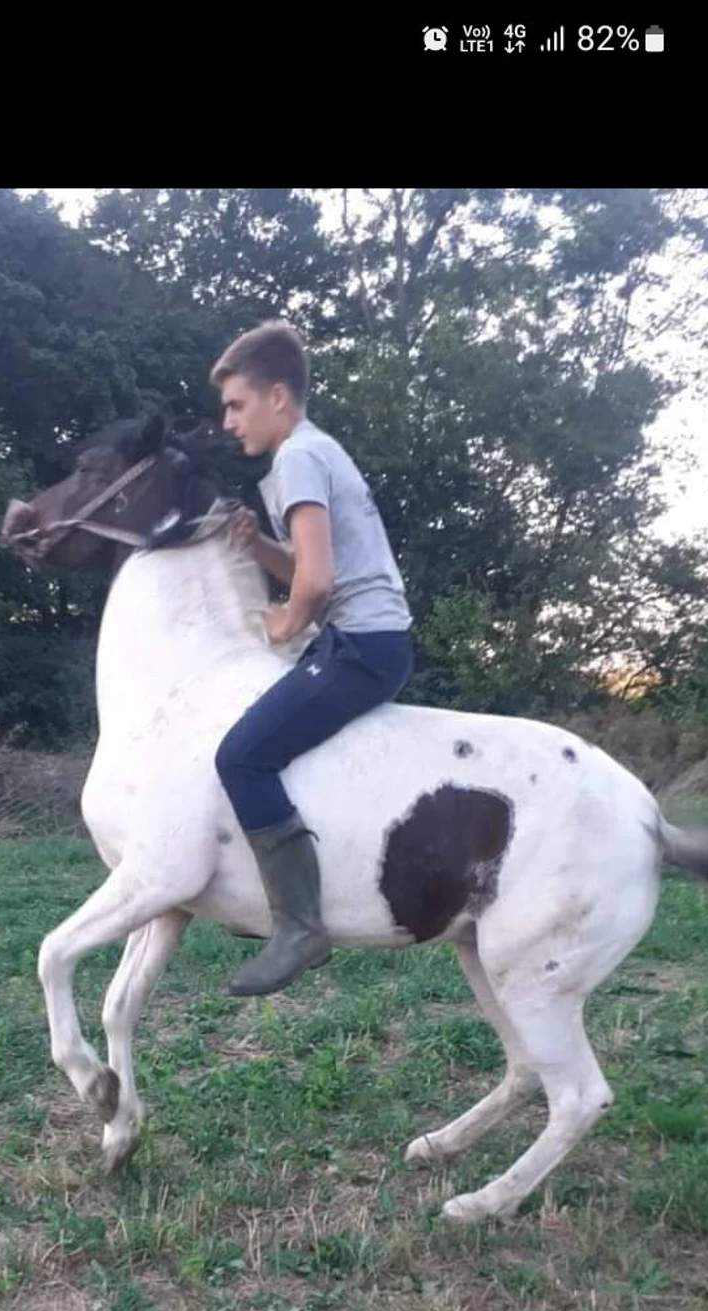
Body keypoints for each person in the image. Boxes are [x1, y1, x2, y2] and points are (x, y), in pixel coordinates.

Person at [210, 319, 413, 997]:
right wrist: (257, 548)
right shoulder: (312, 452)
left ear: (277, 396)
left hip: (360, 645)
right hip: (364, 641)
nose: (228, 421)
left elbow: (317, 583)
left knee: (242, 757)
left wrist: (284, 622)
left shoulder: (299, 456)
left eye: (237, 405)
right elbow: (309, 564)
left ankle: (300, 928)